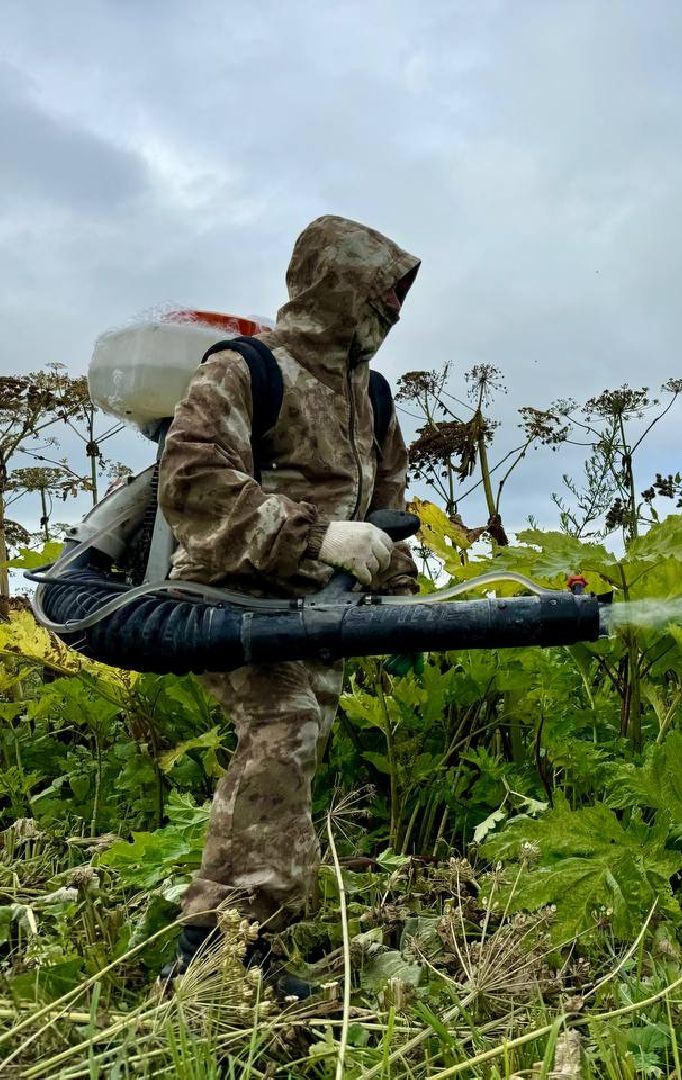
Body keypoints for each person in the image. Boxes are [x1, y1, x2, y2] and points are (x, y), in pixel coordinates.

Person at [155, 215, 420, 996]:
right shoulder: (244, 371)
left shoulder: (371, 395)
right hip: (226, 598)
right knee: (285, 724)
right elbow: (192, 480)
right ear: (336, 290)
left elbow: (388, 505)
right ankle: (217, 955)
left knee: (290, 756)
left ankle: (239, 941)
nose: (389, 316)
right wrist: (318, 538)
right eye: (378, 298)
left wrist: (392, 579)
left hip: (319, 616)